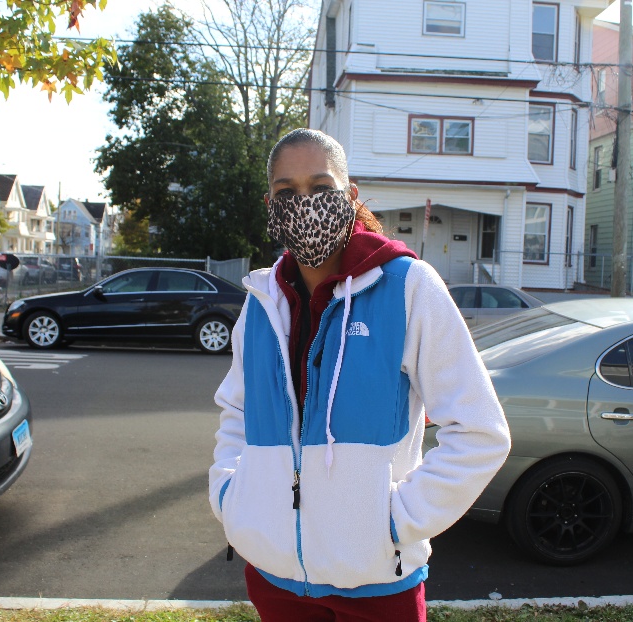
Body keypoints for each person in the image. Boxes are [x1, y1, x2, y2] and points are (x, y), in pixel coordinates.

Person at [209, 128, 510, 621]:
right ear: (270, 205)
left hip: (376, 586)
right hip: (274, 577)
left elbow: (481, 433)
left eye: (321, 188)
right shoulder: (261, 302)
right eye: (287, 193)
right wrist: (231, 496)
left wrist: (394, 522)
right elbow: (236, 411)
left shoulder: (408, 286)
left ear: (349, 196)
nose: (304, 204)